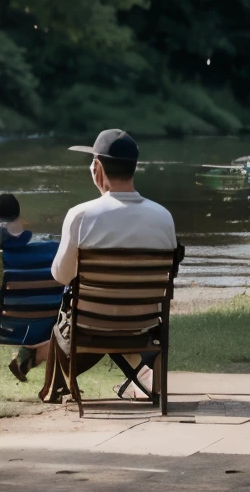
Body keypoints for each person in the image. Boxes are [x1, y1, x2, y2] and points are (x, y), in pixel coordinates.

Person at [42, 129, 176, 402]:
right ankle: (143, 374)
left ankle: (59, 387)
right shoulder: (164, 217)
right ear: (134, 167)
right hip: (144, 321)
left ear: (97, 167)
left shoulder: (80, 215)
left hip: (91, 321)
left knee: (64, 316)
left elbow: (61, 275)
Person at [0, 193, 58, 383]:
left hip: (9, 326)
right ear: (19, 217)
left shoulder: (2, 256)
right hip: (48, 325)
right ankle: (29, 357)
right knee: (64, 327)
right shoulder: (52, 248)